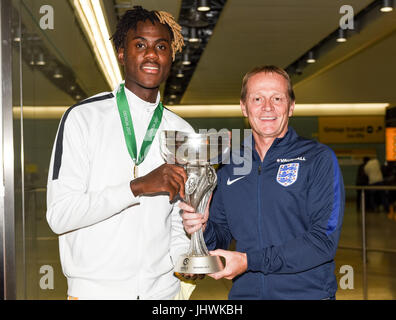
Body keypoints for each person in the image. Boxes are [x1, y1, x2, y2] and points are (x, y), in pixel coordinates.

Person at [46, 6, 195, 300]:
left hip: (163, 294)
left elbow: (179, 218)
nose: (151, 54)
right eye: (140, 45)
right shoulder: (83, 118)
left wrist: (184, 259)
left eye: (161, 47)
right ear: (122, 53)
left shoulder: (182, 131)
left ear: (171, 56)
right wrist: (136, 188)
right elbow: (60, 216)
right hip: (95, 294)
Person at [180, 65, 345, 300]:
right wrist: (203, 227)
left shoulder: (318, 159)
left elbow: (323, 241)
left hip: (307, 294)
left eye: (277, 98)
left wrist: (250, 261)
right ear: (244, 107)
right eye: (257, 98)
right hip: (246, 295)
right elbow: (221, 236)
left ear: (291, 106)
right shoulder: (230, 164)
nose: (267, 107)